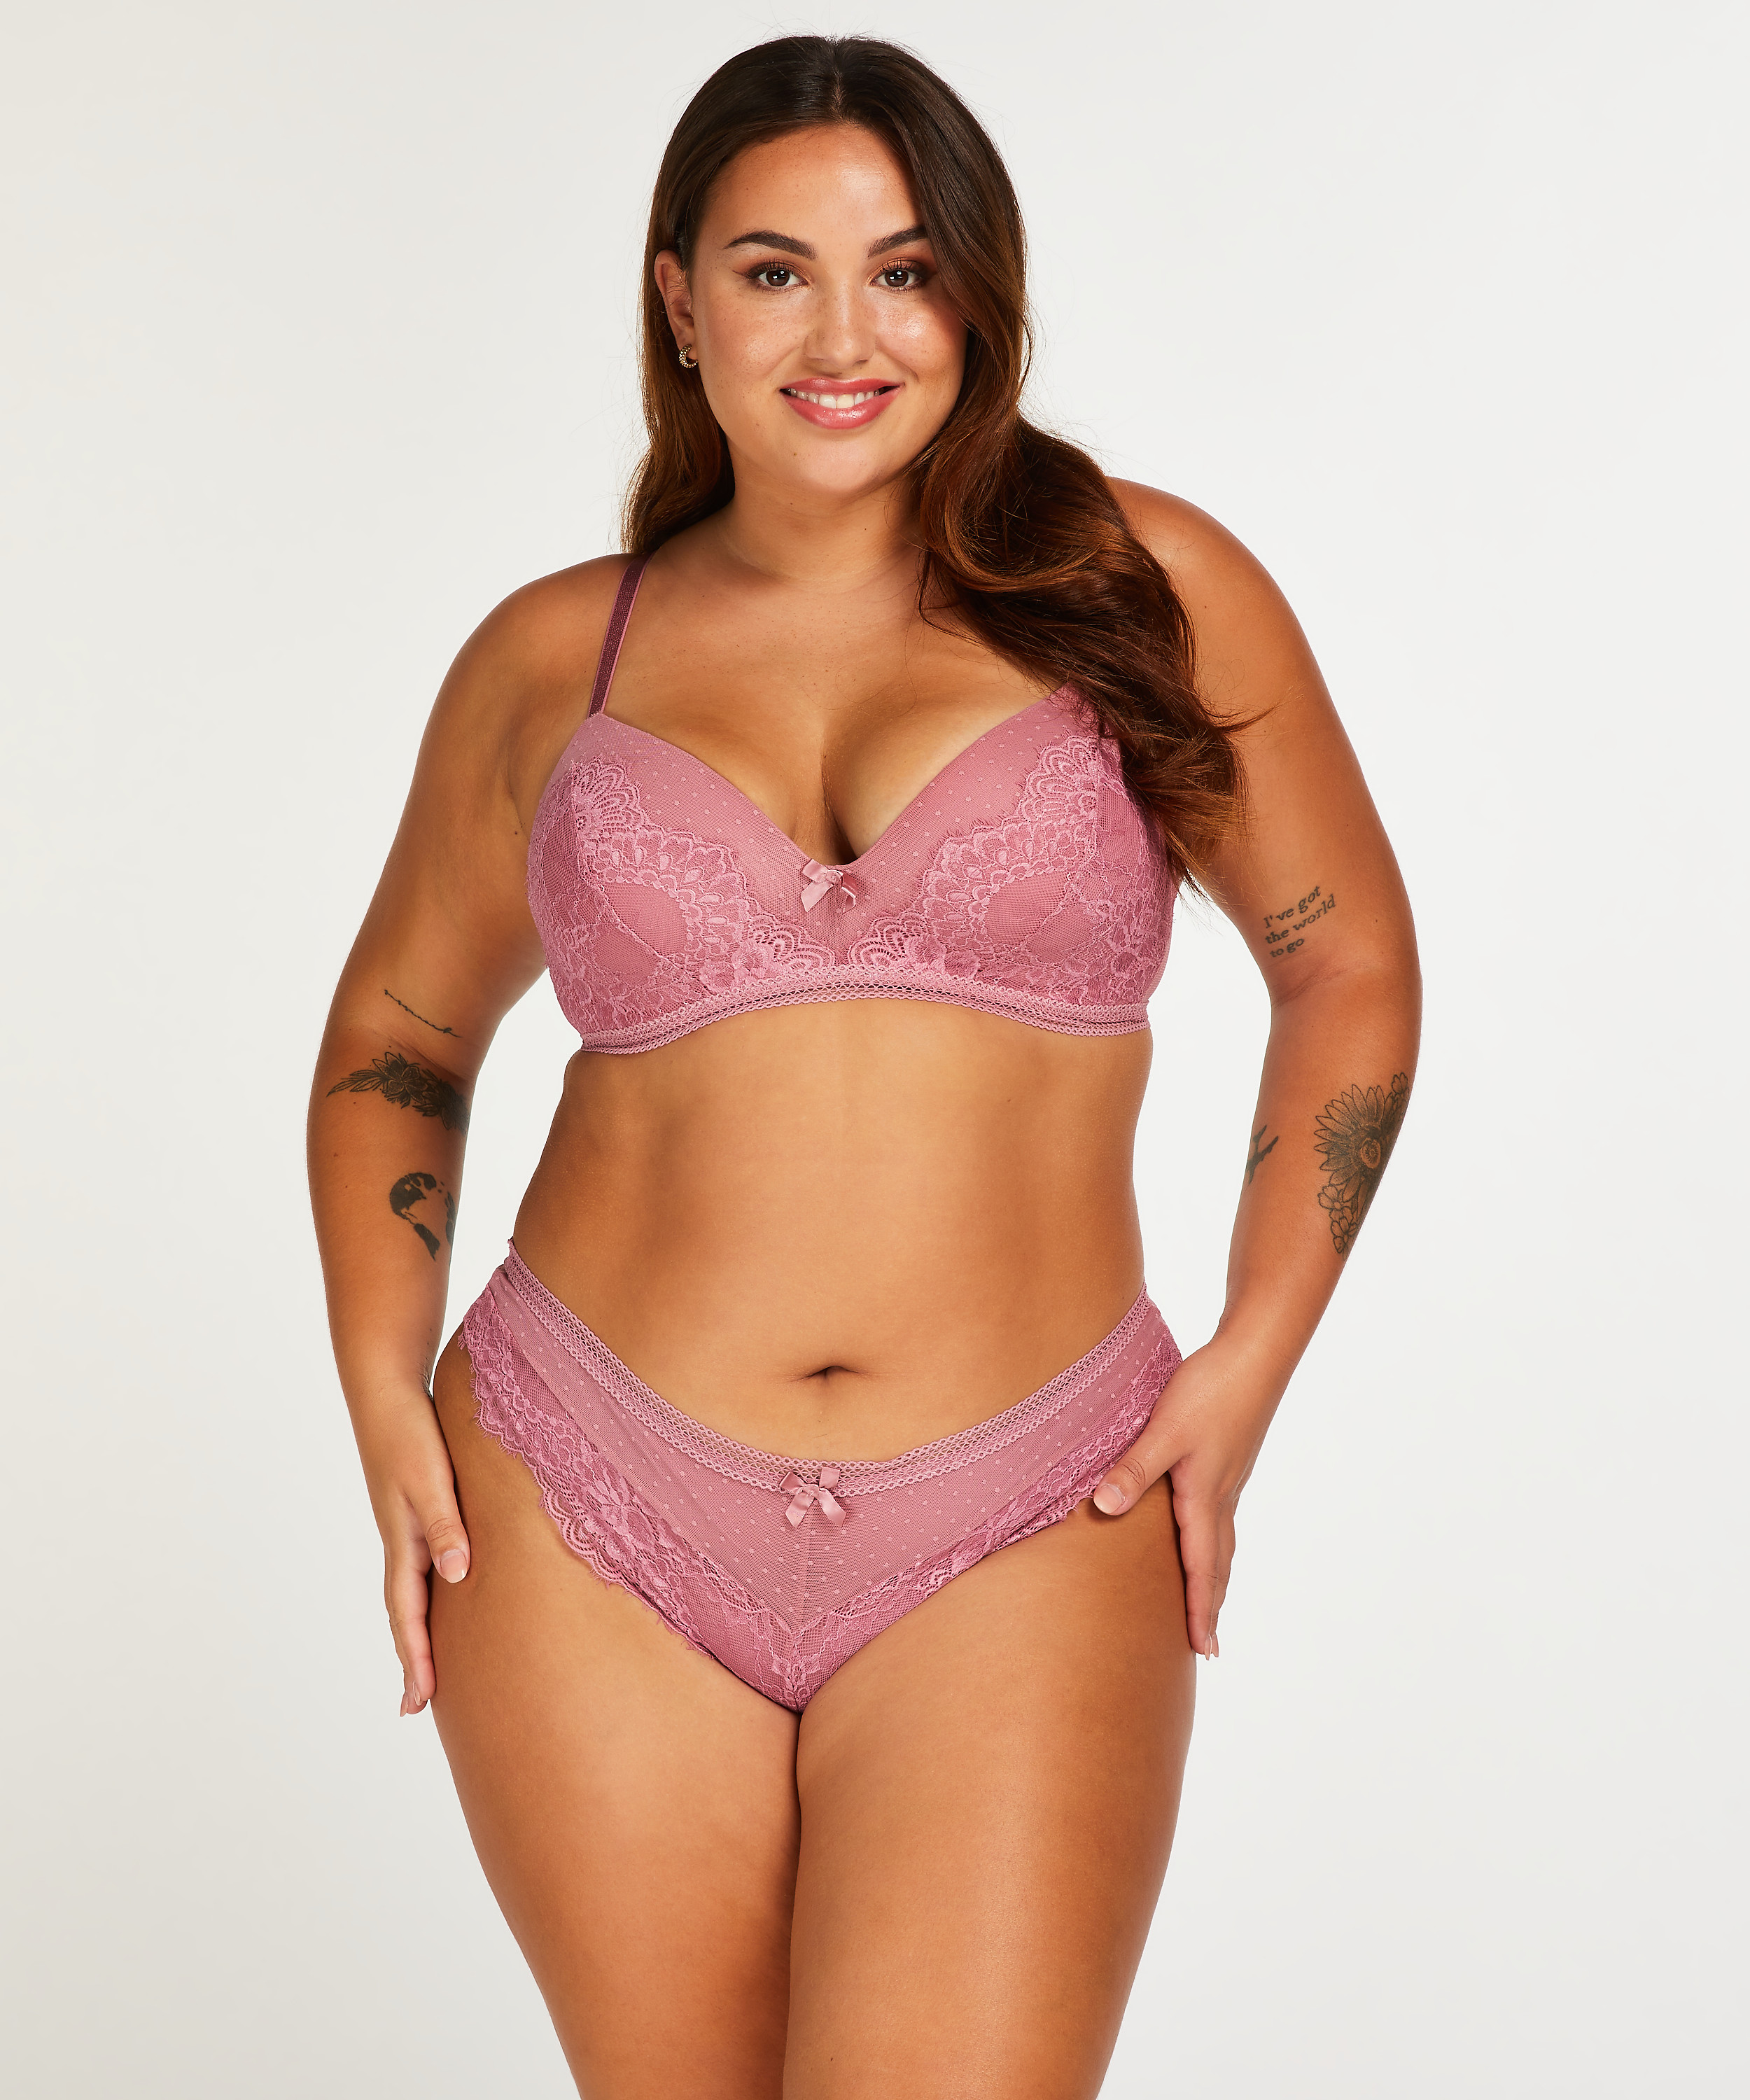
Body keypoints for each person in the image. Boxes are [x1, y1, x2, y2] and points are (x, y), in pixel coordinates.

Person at [307, 34, 1420, 2098]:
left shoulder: (1140, 589)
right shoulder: (556, 658)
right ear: (678, 302)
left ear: (978, 295)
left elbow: (1343, 963)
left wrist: (1249, 1360)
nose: (844, 339)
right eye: (773, 273)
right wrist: (381, 1382)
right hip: (580, 1494)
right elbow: (400, 1027)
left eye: (903, 273)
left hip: (1033, 1499)